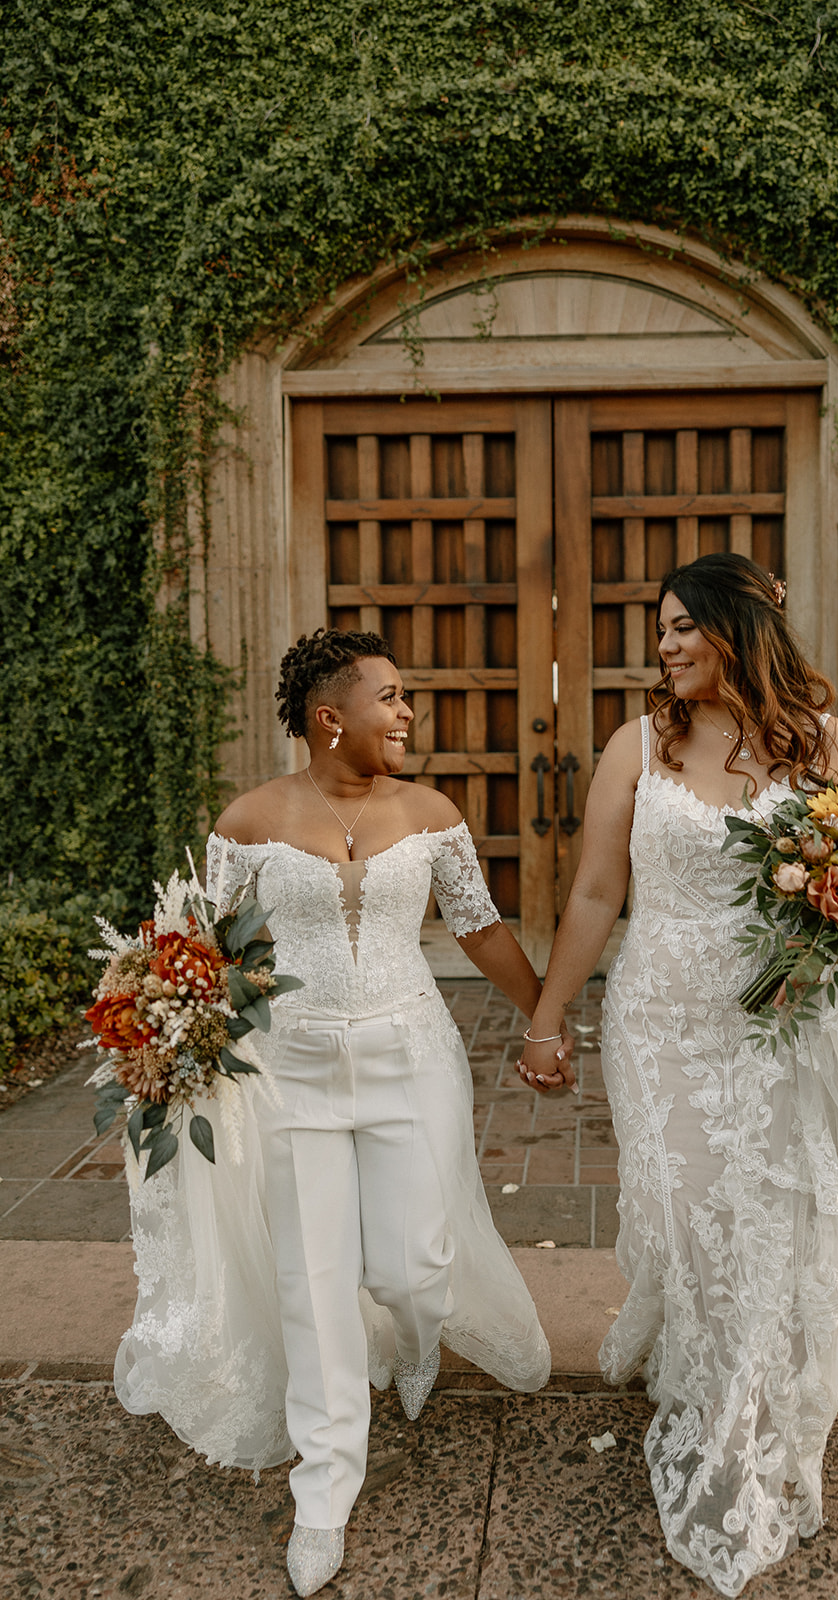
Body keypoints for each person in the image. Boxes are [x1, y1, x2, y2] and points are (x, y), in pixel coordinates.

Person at [518, 554, 838, 1595]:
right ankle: (705, 1372)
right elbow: (592, 892)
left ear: (734, 628)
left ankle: (744, 1438)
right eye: (657, 629)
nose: (661, 646)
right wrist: (548, 1014)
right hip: (661, 1022)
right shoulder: (636, 744)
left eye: (679, 627)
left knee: (772, 1224)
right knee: (692, 1217)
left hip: (784, 1023)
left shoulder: (825, 745)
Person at [115, 629, 558, 1597]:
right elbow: (205, 950)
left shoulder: (431, 812)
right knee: (312, 1281)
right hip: (291, 1070)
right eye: (391, 698)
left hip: (412, 1058)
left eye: (405, 700)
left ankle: (415, 1330)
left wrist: (545, 1020)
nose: (406, 715)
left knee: (413, 1260)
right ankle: (324, 1492)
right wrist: (165, 1034)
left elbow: (478, 926)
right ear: (331, 717)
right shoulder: (250, 819)